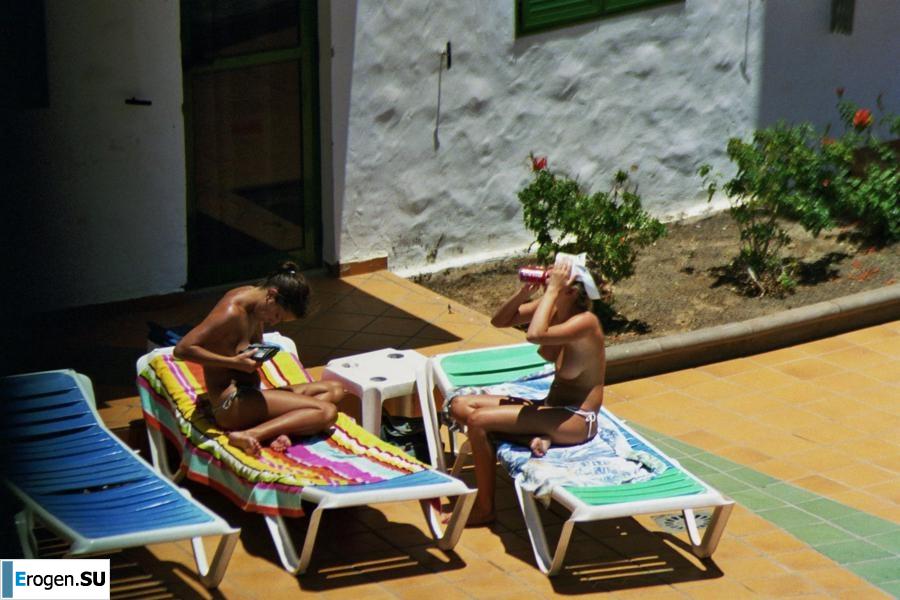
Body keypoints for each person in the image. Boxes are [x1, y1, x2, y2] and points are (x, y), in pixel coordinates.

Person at [448, 258, 606, 525]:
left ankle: (486, 509)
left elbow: (534, 335)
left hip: (576, 419)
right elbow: (499, 321)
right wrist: (524, 292)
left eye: (559, 273)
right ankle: (535, 436)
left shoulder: (586, 323)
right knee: (460, 405)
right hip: (549, 409)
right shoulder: (554, 307)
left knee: (478, 421)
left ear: (571, 290)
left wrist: (551, 291)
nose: (550, 273)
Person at [174, 261, 344, 456]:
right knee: (327, 412)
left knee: (335, 389)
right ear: (271, 295)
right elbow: (182, 349)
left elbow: (250, 344)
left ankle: (285, 428)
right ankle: (249, 434)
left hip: (251, 397)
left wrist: (257, 355)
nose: (274, 322)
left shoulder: (256, 304)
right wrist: (234, 363)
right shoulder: (231, 313)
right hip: (232, 404)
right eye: (277, 315)